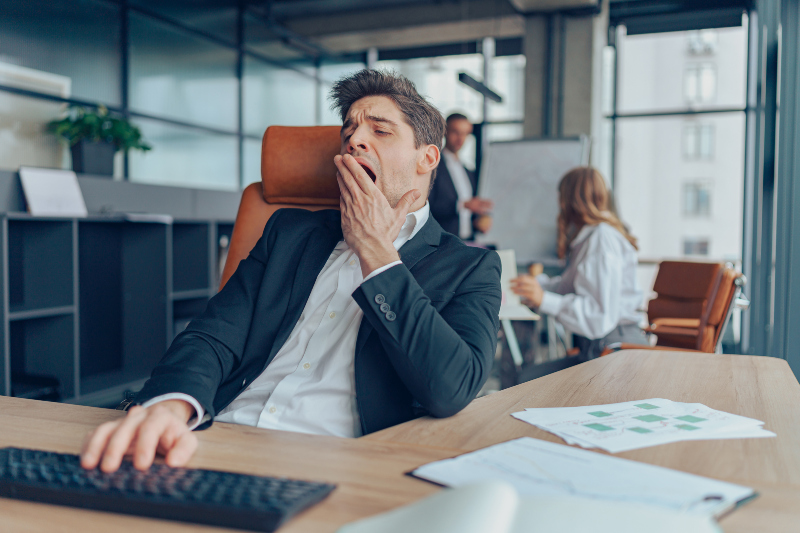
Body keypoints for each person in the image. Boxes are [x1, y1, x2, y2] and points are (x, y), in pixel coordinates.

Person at [81, 69, 502, 473]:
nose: (355, 139)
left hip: (339, 463)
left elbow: (451, 388)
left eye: (380, 129)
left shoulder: (469, 267)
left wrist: (376, 252)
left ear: (427, 157)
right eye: (349, 130)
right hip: (214, 438)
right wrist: (172, 407)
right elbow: (213, 335)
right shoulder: (290, 232)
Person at [510, 167, 646, 361]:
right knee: (529, 378)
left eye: (561, 196)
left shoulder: (601, 239)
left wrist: (544, 299)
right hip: (600, 346)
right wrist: (537, 287)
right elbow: (570, 286)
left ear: (569, 200)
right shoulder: (591, 237)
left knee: (528, 380)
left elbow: (598, 316)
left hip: (613, 352)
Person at [429, 113, 494, 240]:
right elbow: (428, 206)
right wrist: (462, 205)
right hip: (443, 242)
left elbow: (468, 215)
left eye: (465, 133)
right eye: (456, 132)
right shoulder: (434, 167)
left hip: (468, 241)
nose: (461, 139)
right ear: (444, 132)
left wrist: (479, 220)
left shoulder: (468, 171)